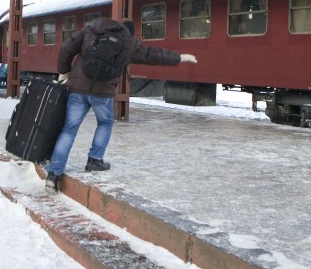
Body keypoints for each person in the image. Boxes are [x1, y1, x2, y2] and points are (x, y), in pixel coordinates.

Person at [44, 18, 197, 194]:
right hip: (103, 93)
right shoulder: (129, 42)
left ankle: (54, 175)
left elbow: (66, 48)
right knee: (105, 122)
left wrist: (64, 71)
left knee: (69, 129)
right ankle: (95, 160)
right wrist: (179, 58)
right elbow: (153, 55)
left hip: (78, 89)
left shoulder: (92, 29)